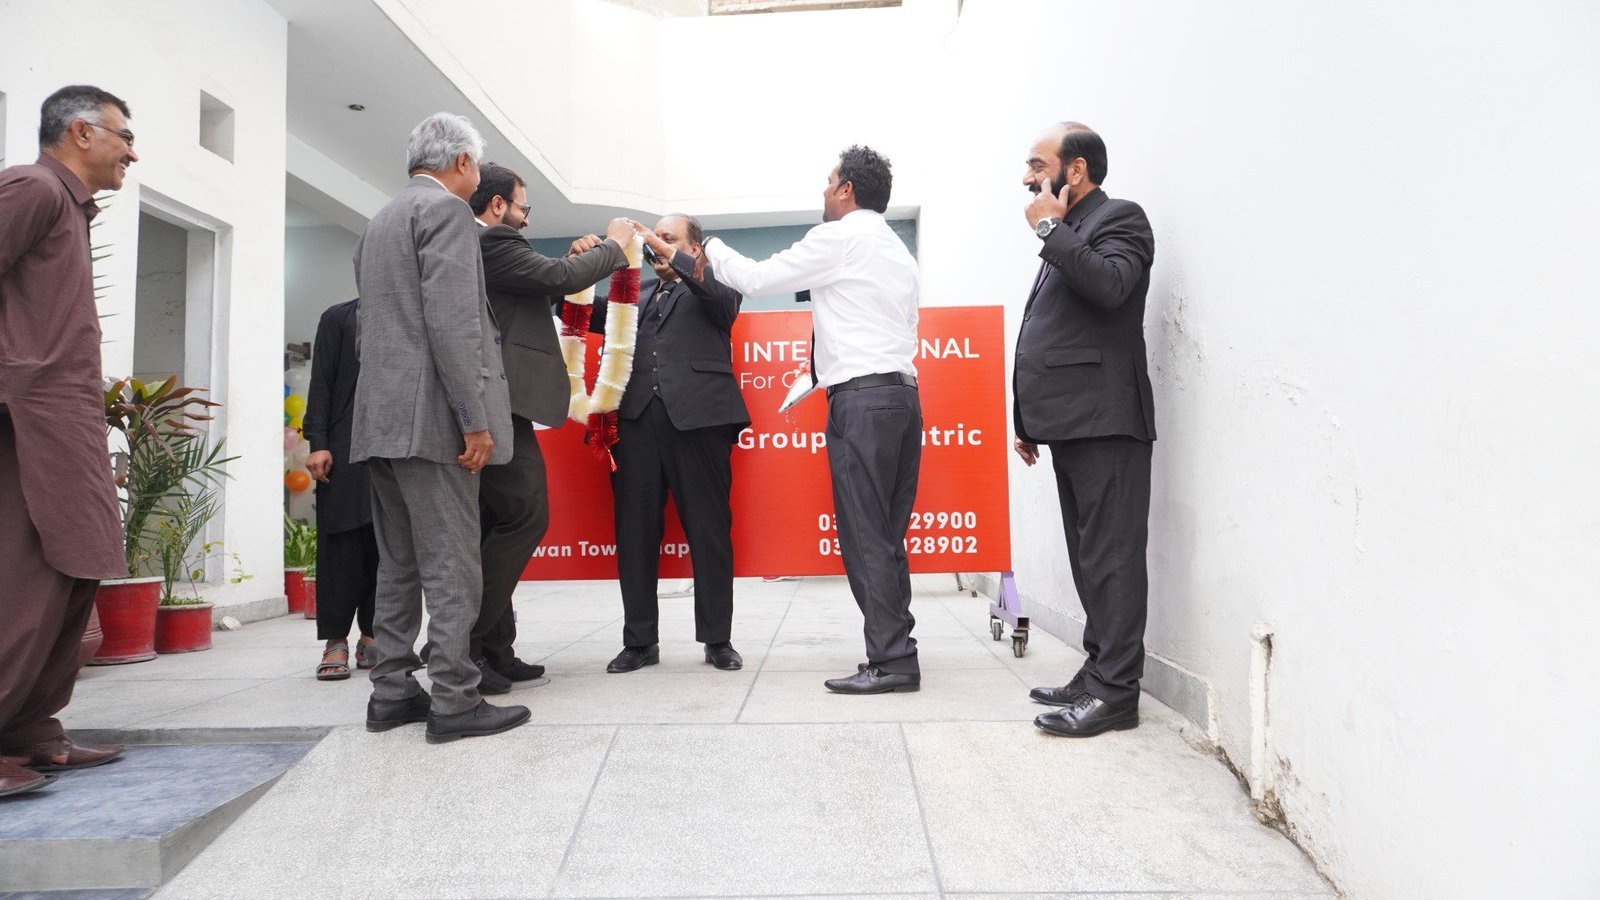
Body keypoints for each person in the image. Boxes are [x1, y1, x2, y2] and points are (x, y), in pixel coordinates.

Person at [702, 146, 922, 694]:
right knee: (886, 535)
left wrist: (708, 247)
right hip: (902, 398)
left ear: (847, 189)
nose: (824, 190)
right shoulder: (896, 251)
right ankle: (900, 650)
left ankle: (892, 660)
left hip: (862, 402)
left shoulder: (838, 238)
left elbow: (756, 279)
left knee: (865, 535)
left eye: (829, 181)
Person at [351, 113, 528, 744]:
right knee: (453, 563)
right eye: (477, 164)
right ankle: (454, 698)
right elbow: (452, 325)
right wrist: (473, 420)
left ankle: (392, 692)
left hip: (380, 420)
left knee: (397, 564)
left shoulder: (379, 220)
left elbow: (371, 328)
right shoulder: (447, 212)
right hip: (432, 421)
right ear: (461, 162)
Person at [0, 85, 137, 797]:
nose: (132, 153)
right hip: (26, 423)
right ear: (81, 133)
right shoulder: (32, 188)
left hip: (70, 420)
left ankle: (29, 731)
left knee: (75, 571)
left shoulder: (69, 206)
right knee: (26, 580)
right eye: (123, 136)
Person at [1013, 122, 1157, 738]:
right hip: (1072, 423)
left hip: (1108, 422)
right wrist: (1027, 418)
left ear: (1075, 170)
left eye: (1036, 164)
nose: (1026, 178)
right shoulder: (1072, 230)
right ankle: (1099, 671)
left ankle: (1117, 694)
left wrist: (1051, 230)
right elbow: (1050, 331)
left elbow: (1112, 286)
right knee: (1089, 557)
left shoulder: (1121, 218)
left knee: (1112, 559)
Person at [464, 162, 630, 691]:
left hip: (500, 405)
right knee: (526, 517)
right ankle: (464, 644)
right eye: (523, 207)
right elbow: (559, 278)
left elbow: (551, 279)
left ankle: (494, 651)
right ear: (497, 205)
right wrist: (615, 244)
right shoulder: (491, 240)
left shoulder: (487, 246)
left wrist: (581, 259)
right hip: (497, 407)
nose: (527, 218)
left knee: (497, 524)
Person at [593, 214, 749, 674]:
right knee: (634, 534)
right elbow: (573, 308)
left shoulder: (715, 283)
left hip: (700, 424)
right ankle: (639, 642)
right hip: (635, 425)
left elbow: (722, 301)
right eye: (653, 240)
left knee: (709, 532)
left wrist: (670, 255)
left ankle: (718, 640)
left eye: (668, 239)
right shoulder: (631, 294)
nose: (655, 246)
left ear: (693, 249)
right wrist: (580, 262)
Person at [303, 298, 378, 681]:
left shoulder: (411, 309)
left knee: (388, 545)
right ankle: (335, 640)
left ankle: (372, 636)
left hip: (396, 441)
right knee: (341, 543)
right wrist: (318, 441)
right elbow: (322, 381)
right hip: (345, 443)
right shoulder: (339, 317)